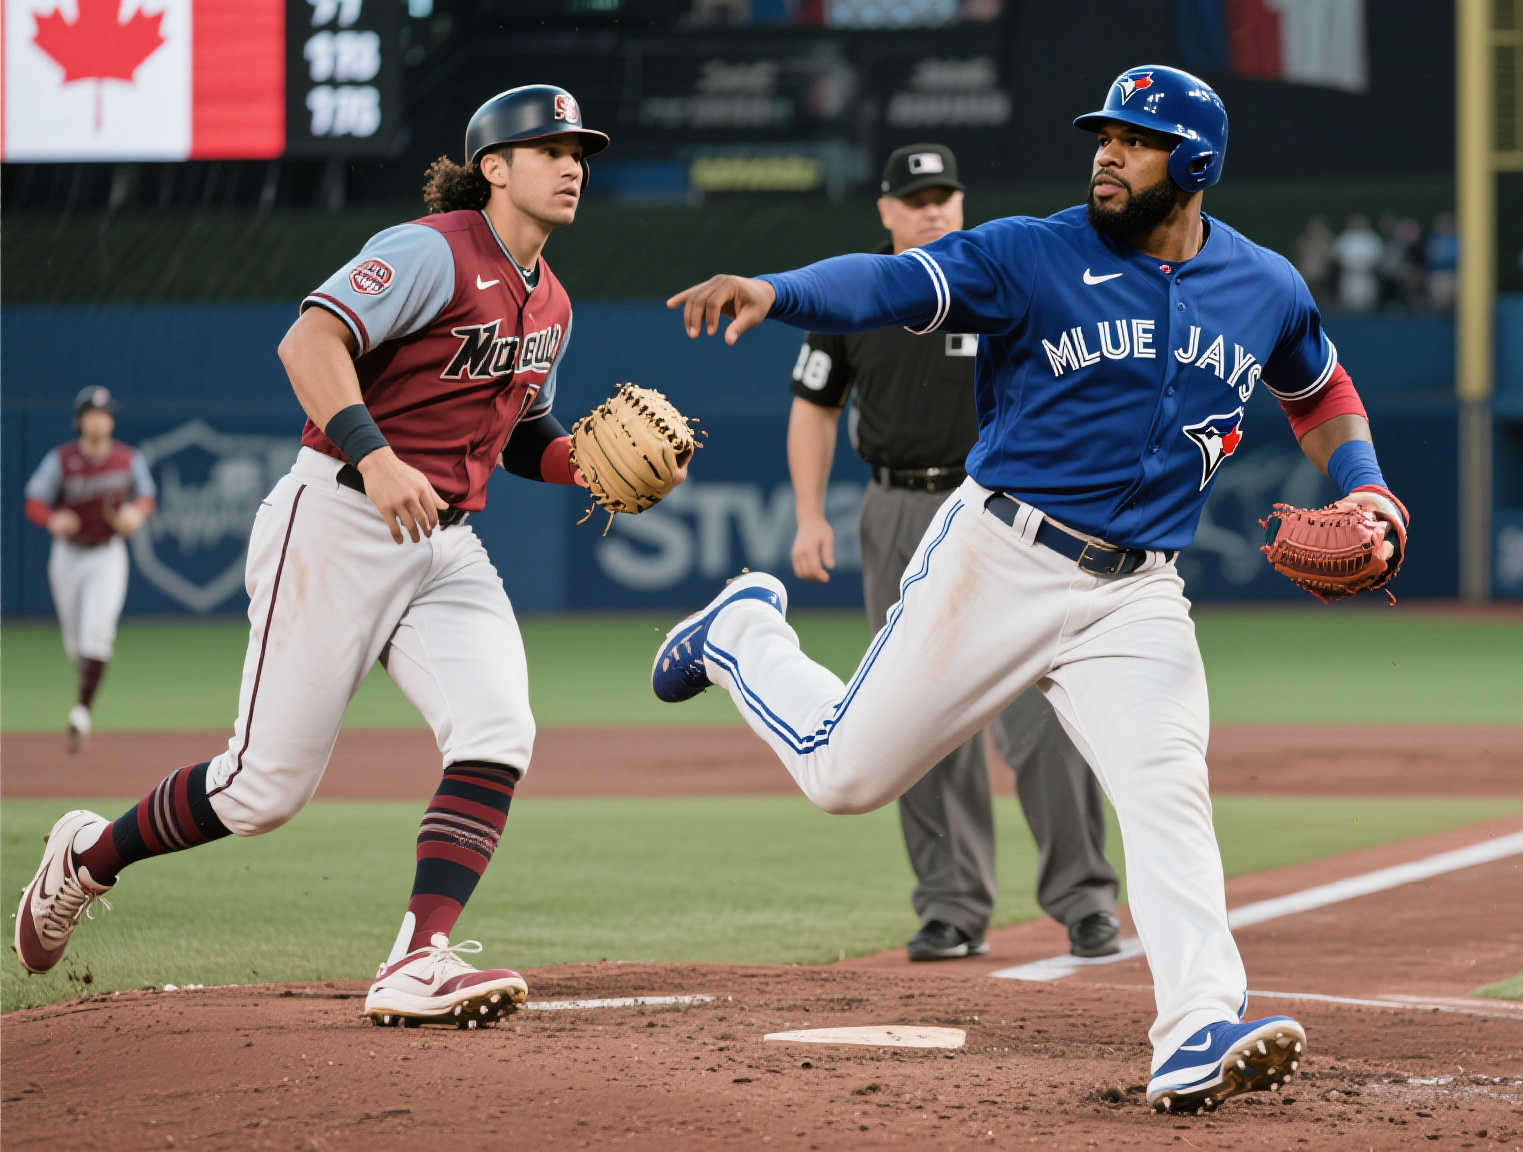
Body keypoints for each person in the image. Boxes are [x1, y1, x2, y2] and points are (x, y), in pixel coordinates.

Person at [662, 65, 1407, 1113]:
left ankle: (1196, 1027)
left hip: (1136, 594)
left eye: (1133, 140)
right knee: (844, 776)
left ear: (1194, 165)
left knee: (1166, 787)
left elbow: (1318, 388)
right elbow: (888, 287)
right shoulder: (1029, 252)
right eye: (1100, 133)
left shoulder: (1264, 286)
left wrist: (1368, 489)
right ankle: (740, 632)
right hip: (1000, 557)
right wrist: (775, 293)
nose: (1105, 153)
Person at [13, 86, 626, 1031]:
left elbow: (517, 435)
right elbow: (310, 341)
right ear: (495, 167)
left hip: (445, 545)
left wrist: (588, 464)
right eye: (549, 148)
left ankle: (416, 959)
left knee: (499, 732)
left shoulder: (553, 301)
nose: (573, 163)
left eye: (580, 149)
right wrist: (376, 455)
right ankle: (87, 858)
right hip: (337, 516)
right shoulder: (432, 250)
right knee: (262, 789)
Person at [786, 142, 1122, 964]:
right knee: (913, 714)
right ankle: (951, 906)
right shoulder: (859, 295)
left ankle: (1083, 899)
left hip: (1003, 515)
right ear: (887, 211)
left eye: (945, 194)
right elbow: (814, 405)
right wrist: (808, 515)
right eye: (917, 196)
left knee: (1040, 713)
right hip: (895, 505)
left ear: (961, 203)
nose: (934, 207)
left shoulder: (1000, 279)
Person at [23, 386, 157, 752]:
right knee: (76, 645)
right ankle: (84, 691)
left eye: (105, 414)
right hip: (68, 556)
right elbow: (33, 500)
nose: (99, 420)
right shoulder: (62, 460)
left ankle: (82, 710)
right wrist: (52, 519)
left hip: (107, 554)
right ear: (80, 420)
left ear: (111, 420)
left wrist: (136, 512)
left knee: (97, 634)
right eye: (92, 414)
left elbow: (145, 496)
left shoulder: (128, 459)